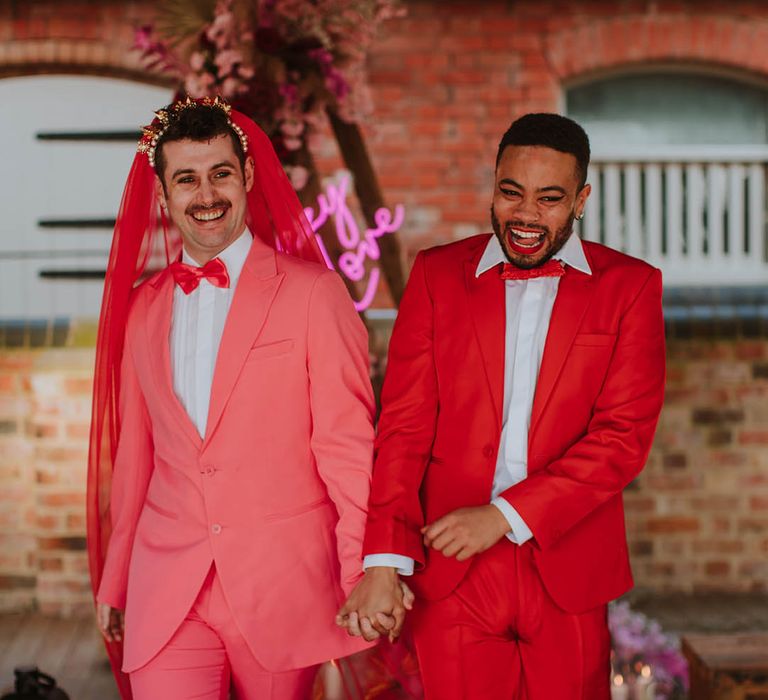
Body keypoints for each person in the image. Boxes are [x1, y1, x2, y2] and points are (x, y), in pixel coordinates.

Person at [337, 113, 666, 698]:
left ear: (581, 199)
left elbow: (623, 439)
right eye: (511, 192)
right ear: (492, 184)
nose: (525, 216)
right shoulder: (436, 275)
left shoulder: (631, 287)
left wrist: (502, 516)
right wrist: (383, 558)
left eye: (549, 198)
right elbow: (404, 429)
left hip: (568, 563)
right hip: (452, 567)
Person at [87, 96, 377, 700]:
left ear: (246, 176)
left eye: (220, 173)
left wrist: (363, 570)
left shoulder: (315, 294)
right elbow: (136, 461)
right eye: (186, 180)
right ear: (163, 196)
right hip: (167, 582)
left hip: (282, 582)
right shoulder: (143, 309)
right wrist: (116, 579)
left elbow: (347, 450)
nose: (207, 194)